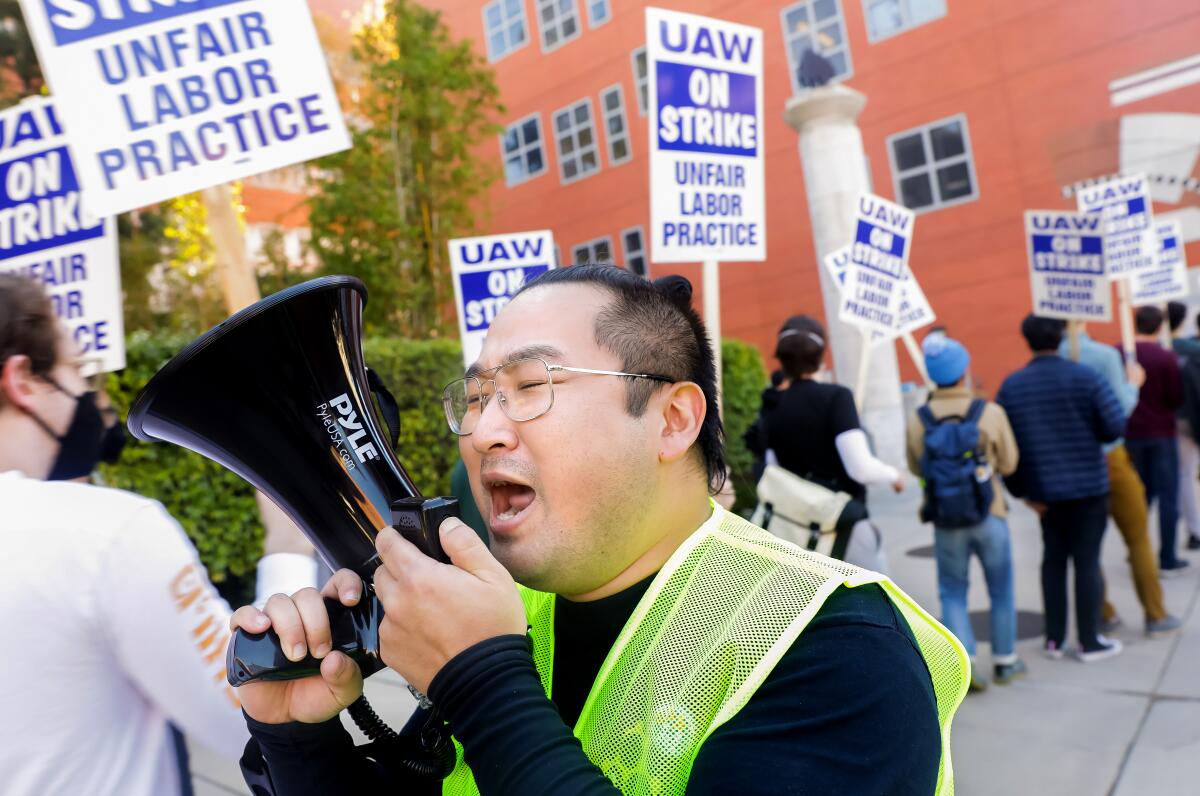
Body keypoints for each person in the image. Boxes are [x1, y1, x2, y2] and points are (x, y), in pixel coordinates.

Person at [230, 266, 968, 795]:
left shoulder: (835, 646)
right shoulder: (520, 615)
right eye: (478, 396)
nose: (484, 429)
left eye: (531, 387)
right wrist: (300, 739)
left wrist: (484, 683)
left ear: (672, 419)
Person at [0, 275, 314, 795]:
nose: (88, 394)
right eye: (76, 369)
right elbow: (253, 718)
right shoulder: (108, 535)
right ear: (23, 381)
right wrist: (287, 548)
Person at [997, 315, 1126, 662]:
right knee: (1087, 562)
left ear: (1028, 340)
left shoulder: (1012, 387)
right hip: (1088, 489)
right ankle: (1088, 640)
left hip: (1044, 495)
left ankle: (1055, 640)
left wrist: (1022, 492)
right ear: (1063, 334)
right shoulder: (1086, 377)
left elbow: (1005, 449)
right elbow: (1114, 427)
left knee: (1053, 561)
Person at [906, 334, 1024, 691]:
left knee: (953, 591)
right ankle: (1006, 661)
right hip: (990, 514)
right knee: (1001, 589)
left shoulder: (919, 419)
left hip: (946, 519)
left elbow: (915, 466)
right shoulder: (989, 413)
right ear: (964, 373)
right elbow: (1010, 462)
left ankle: (966, 667)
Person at [755, 315, 906, 571]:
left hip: (799, 531)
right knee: (877, 604)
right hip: (845, 525)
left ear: (781, 359)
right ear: (820, 356)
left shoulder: (771, 408)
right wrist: (894, 476)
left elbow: (773, 470)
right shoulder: (837, 397)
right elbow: (860, 467)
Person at [1059, 321, 1180, 638]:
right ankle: (1155, 614)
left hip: (1071, 462)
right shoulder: (1102, 355)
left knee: (1087, 546)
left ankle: (1103, 612)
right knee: (1138, 537)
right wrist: (1134, 385)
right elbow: (1119, 411)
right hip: (1109, 456)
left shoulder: (1050, 358)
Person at [1122, 306, 1188, 575]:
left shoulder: (1121, 353)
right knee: (1167, 496)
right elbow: (1176, 397)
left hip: (1131, 433)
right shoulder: (1165, 357)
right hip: (1160, 433)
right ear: (1160, 326)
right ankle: (1167, 556)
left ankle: (1137, 551)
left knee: (1141, 496)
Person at [1167, 301, 1200, 550]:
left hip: (1176, 422)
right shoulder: (1190, 351)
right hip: (1187, 420)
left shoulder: (1166, 350)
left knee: (1183, 476)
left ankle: (1193, 529)